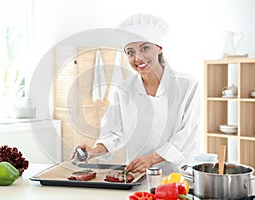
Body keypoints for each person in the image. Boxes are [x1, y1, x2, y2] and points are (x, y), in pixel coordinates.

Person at [71, 13, 201, 174]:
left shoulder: (187, 85)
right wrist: (93, 150)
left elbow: (185, 134)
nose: (137, 58)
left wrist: (152, 158)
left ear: (159, 48)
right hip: (136, 174)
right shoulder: (124, 90)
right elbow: (114, 133)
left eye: (144, 48)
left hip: (177, 175)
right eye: (130, 52)